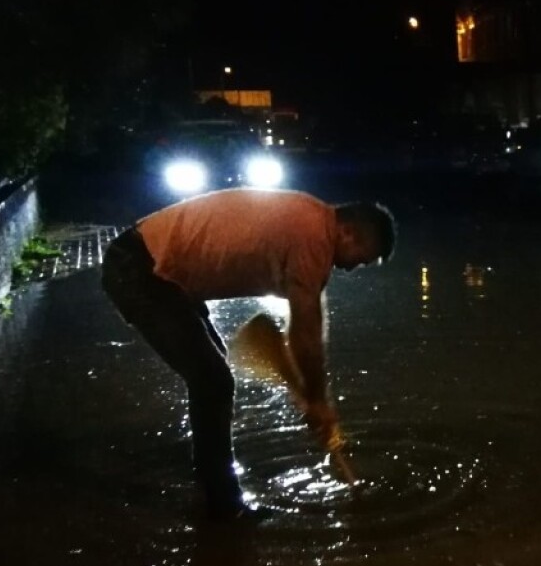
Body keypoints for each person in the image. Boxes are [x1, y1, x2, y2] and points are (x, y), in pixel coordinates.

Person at [100, 188, 396, 521]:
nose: (355, 267)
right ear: (348, 232)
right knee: (213, 381)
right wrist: (317, 400)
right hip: (140, 269)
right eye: (363, 257)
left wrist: (314, 396)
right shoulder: (314, 235)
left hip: (157, 269)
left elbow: (305, 327)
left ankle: (209, 479)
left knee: (211, 371)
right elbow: (306, 331)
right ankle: (224, 508)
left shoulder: (310, 221)